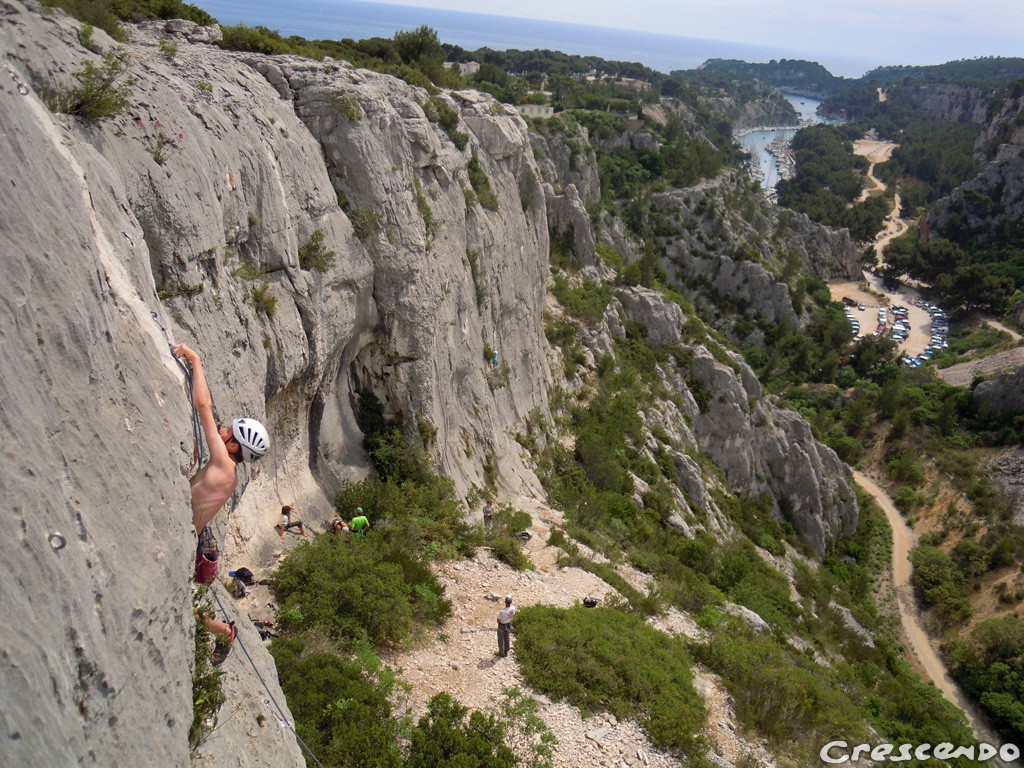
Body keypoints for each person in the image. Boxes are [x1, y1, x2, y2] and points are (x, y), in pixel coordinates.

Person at [173, 343, 269, 659]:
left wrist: (195, 360)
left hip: (183, 536)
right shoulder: (229, 471)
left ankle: (226, 632)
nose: (223, 429)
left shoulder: (222, 464)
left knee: (184, 608)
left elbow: (203, 406)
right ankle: (224, 631)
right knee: (187, 607)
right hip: (191, 535)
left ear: (234, 445)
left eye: (229, 431)